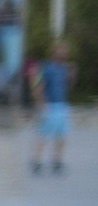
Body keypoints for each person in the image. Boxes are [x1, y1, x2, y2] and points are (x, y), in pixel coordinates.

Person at [33, 41, 75, 175]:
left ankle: (57, 162)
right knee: (44, 135)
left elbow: (68, 87)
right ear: (55, 52)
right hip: (49, 107)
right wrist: (41, 105)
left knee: (61, 137)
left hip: (62, 106)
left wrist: (72, 74)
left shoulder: (63, 69)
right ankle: (37, 162)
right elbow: (39, 87)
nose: (64, 53)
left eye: (65, 51)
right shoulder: (48, 68)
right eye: (61, 51)